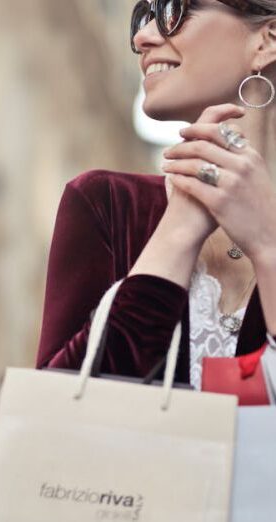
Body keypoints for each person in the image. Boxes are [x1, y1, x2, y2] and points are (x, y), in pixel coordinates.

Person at [36, 0, 276, 390]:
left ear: (266, 42)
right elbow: (57, 406)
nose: (142, 37)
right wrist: (180, 227)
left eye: (172, 9)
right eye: (142, 17)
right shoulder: (107, 204)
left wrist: (268, 247)